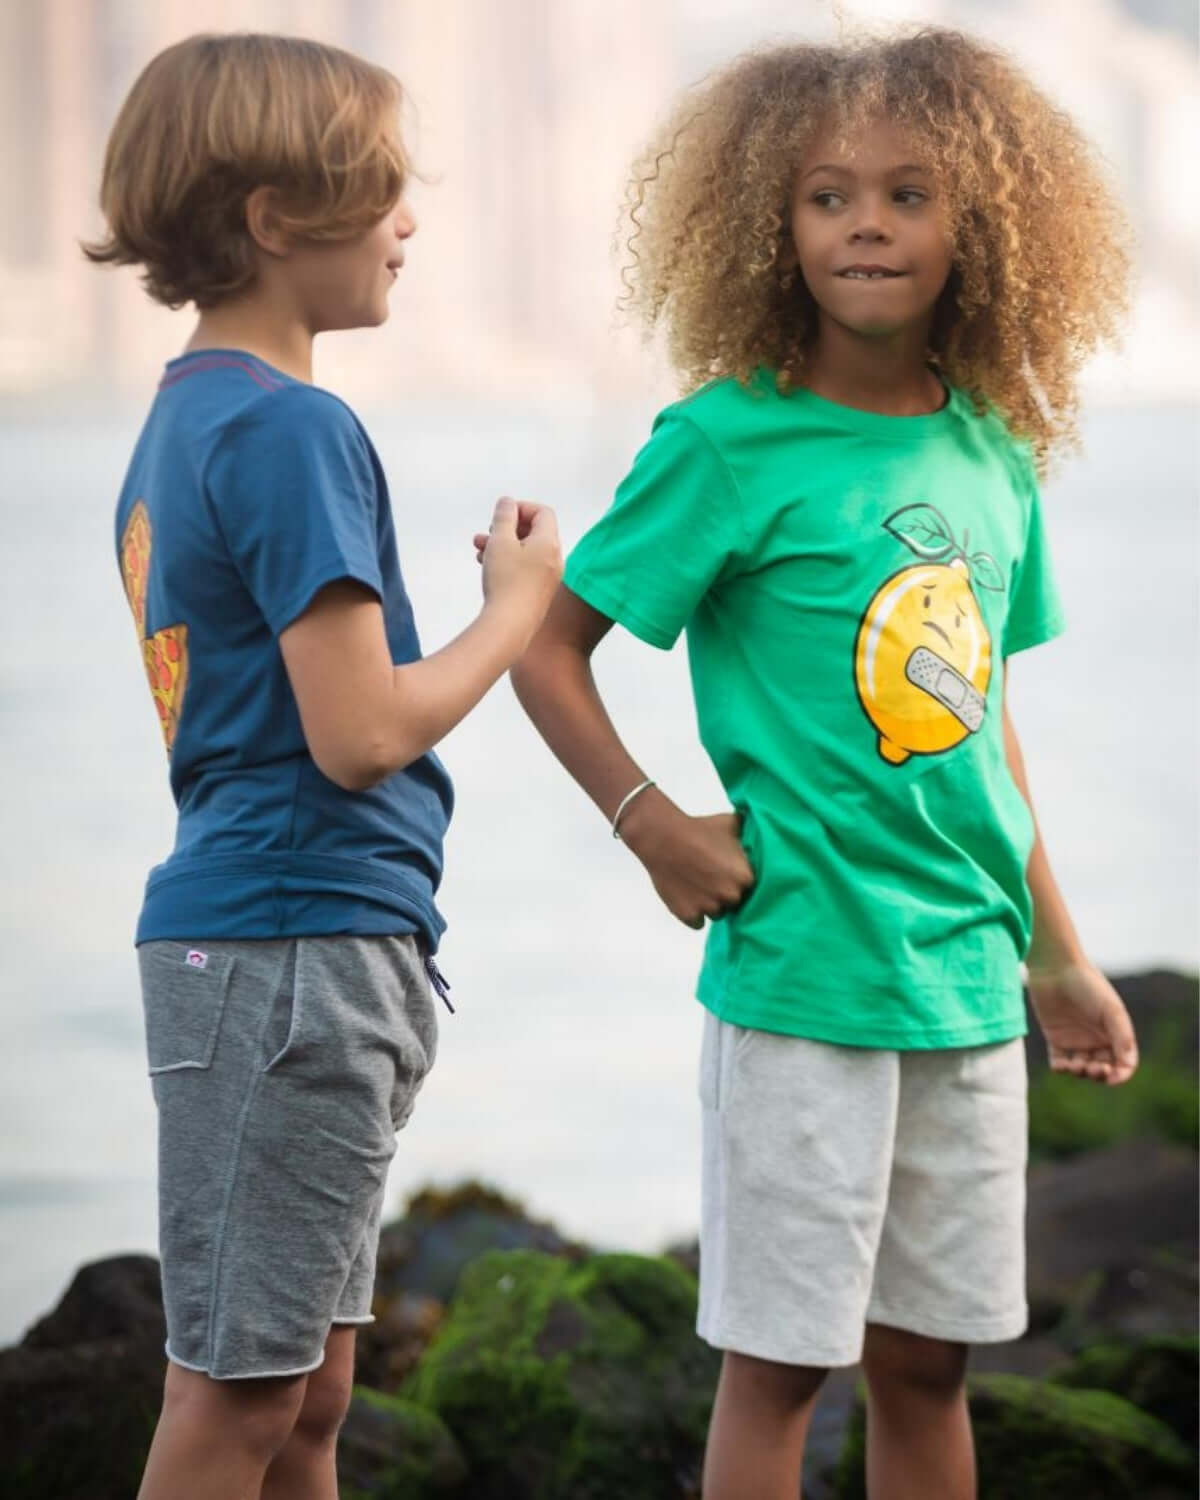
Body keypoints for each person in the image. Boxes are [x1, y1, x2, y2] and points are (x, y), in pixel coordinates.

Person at [508, 28, 1137, 1500]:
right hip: (802, 987)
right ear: (771, 224)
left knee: (930, 1368)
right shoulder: (727, 443)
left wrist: (1059, 958)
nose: (868, 225)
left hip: (966, 986)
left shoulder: (993, 455)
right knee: (781, 1369)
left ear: (982, 224)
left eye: (910, 195)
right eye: (828, 196)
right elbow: (547, 644)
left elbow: (984, 732)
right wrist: (650, 824)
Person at [85, 33, 560, 1500]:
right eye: (382, 190)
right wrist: (517, 613)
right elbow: (361, 734)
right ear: (279, 217)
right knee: (239, 1397)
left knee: (308, 1396)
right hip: (291, 952)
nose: (409, 220)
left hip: (279, 943)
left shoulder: (187, 418)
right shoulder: (289, 429)